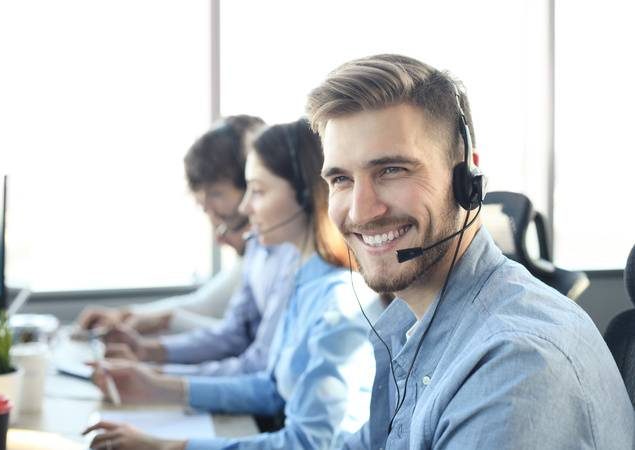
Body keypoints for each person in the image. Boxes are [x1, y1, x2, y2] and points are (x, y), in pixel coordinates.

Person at [307, 54, 635, 449]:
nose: (360, 211)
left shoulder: (515, 369)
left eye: (392, 170)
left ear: (467, 177)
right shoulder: (415, 330)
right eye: (341, 179)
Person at [84, 119, 375, 450]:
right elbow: (271, 388)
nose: (245, 207)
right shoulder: (303, 281)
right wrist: (156, 385)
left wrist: (168, 446)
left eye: (259, 191)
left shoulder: (337, 301)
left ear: (306, 194)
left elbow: (307, 444)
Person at [77, 115, 263, 335]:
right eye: (204, 204)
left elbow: (246, 339)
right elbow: (206, 304)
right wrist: (126, 315)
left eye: (216, 194)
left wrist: (161, 321)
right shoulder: (257, 253)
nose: (211, 213)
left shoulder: (279, 248)